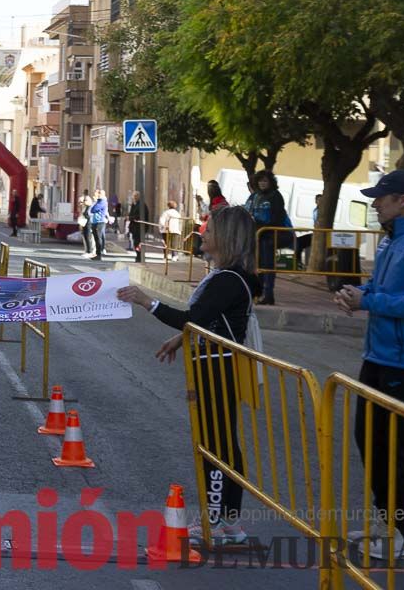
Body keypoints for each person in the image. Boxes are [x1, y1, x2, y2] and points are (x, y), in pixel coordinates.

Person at [118, 206, 261, 546]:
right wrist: (179, 341)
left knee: (215, 446)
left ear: (226, 239)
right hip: (214, 362)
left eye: (209, 231)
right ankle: (228, 521)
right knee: (223, 443)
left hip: (218, 367)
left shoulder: (228, 280)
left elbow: (192, 317)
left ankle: (214, 519)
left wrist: (145, 301)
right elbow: (205, 323)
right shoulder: (226, 277)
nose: (202, 234)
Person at [333, 170, 404, 562]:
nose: (375, 204)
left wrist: (369, 302)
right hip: (379, 356)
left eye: (381, 198)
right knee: (371, 444)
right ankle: (387, 525)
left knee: (397, 451)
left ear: (403, 200)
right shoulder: (396, 240)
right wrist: (359, 293)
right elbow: (383, 288)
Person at [246, 170, 287, 305]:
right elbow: (247, 211)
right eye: (260, 181)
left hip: (268, 235)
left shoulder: (275, 196)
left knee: (268, 266)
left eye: (265, 181)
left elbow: (278, 217)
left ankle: (269, 294)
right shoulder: (255, 196)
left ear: (270, 182)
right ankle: (258, 293)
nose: (262, 183)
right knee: (257, 266)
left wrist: (266, 227)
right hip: (256, 236)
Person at [296, 193, 321, 270]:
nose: (319, 202)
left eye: (321, 200)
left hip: (319, 235)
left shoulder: (322, 211)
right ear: (315, 201)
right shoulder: (315, 210)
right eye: (318, 200)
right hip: (315, 233)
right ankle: (298, 264)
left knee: (299, 243)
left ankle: (299, 265)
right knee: (298, 242)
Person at [128, 190, 150, 262]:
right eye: (133, 196)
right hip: (135, 227)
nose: (133, 198)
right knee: (136, 242)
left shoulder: (142, 205)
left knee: (138, 242)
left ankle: (139, 256)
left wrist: (131, 218)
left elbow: (140, 216)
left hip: (139, 227)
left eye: (135, 196)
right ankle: (138, 255)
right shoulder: (134, 204)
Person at [89, 189, 109, 261]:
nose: (98, 194)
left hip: (100, 222)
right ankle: (97, 254)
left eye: (100, 193)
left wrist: (94, 206)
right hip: (95, 221)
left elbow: (94, 209)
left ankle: (99, 254)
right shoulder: (98, 201)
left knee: (98, 238)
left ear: (103, 194)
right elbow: (92, 209)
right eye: (98, 193)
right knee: (96, 238)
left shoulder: (102, 201)